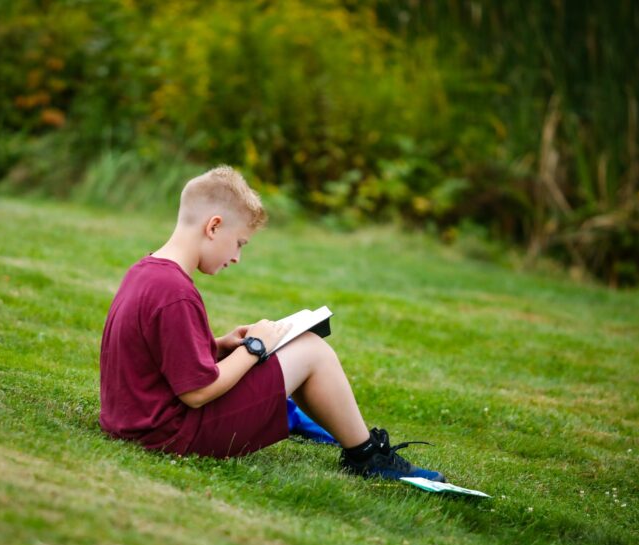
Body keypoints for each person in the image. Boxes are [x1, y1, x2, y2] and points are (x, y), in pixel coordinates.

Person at [98, 166, 446, 481]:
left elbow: (160, 354)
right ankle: (368, 456)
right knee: (312, 350)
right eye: (239, 243)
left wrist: (221, 345)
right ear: (214, 226)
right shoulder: (176, 291)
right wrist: (255, 348)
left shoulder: (146, 272)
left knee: (299, 347)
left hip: (135, 423)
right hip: (171, 435)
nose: (236, 257)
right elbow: (197, 392)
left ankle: (360, 446)